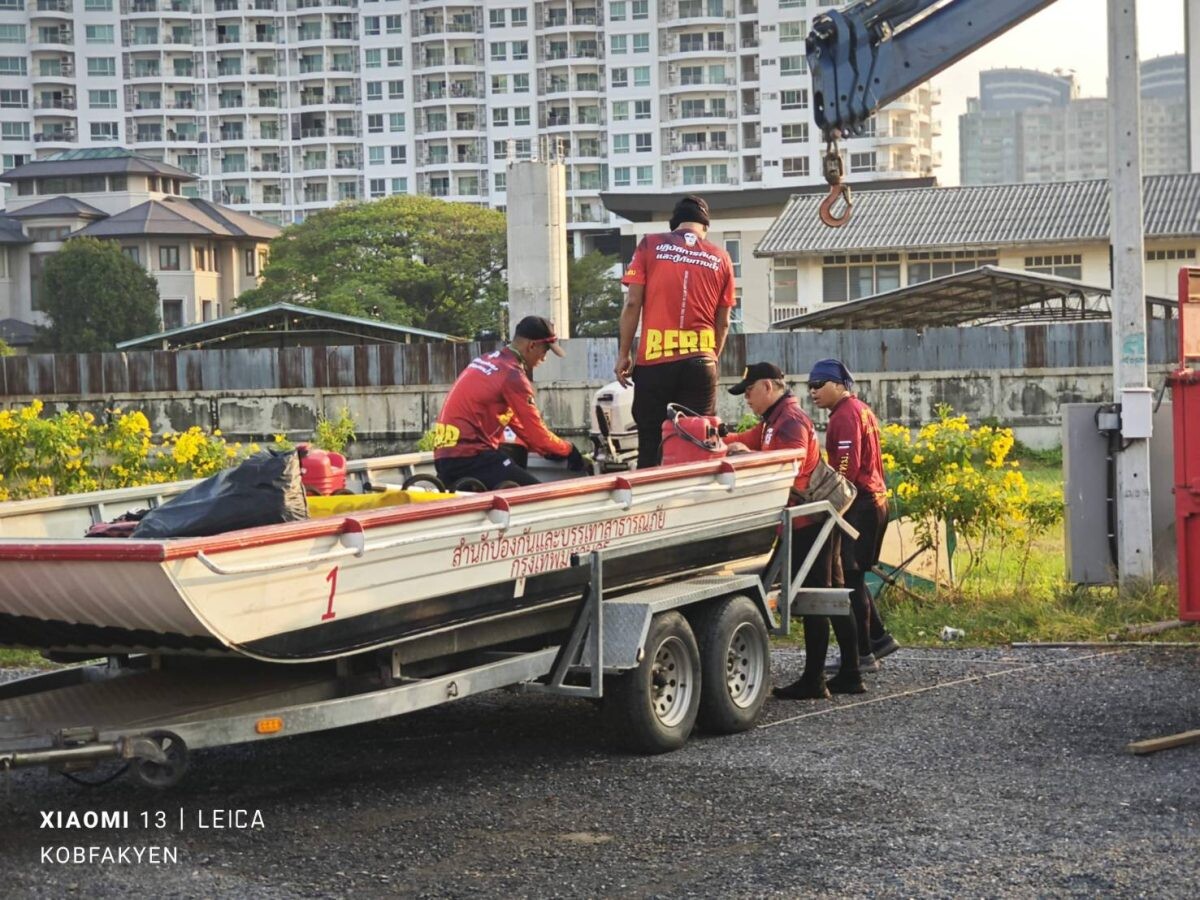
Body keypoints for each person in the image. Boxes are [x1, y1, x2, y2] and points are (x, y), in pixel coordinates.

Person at [725, 362, 865, 699]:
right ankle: (849, 673)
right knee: (829, 595)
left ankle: (817, 680)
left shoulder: (790, 421)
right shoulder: (774, 421)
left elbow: (788, 464)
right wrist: (718, 438)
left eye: (749, 390)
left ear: (769, 387)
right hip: (812, 518)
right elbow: (746, 439)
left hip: (809, 520)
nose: (746, 398)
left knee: (814, 597)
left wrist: (749, 458)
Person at [615, 194, 737, 469]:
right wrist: (711, 359)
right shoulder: (721, 257)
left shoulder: (650, 244)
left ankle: (652, 508)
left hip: (654, 362)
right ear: (704, 226)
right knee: (697, 442)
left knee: (651, 442)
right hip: (700, 362)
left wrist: (624, 354)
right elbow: (724, 321)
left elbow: (633, 302)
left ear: (675, 224)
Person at [808, 358, 900, 667]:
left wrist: (831, 505)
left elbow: (846, 469)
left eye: (819, 385)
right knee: (856, 574)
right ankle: (878, 638)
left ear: (838, 385)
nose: (812, 391)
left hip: (859, 503)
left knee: (850, 579)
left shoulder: (843, 417)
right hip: (875, 499)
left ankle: (862, 654)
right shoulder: (861, 409)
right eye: (809, 386)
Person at [433, 316, 586, 489]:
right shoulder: (513, 376)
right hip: (471, 457)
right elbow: (537, 433)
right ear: (532, 346)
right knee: (540, 498)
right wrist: (569, 450)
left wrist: (550, 450)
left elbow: (518, 424)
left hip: (445, 458)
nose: (544, 359)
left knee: (511, 461)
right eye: (545, 351)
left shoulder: (487, 359)